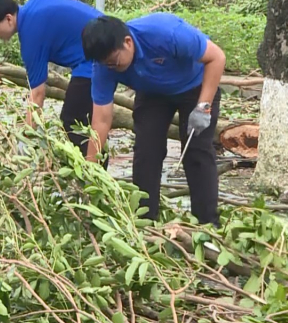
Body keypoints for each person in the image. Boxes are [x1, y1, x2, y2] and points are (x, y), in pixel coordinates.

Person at [81, 14, 225, 226]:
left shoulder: (167, 34)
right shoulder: (103, 67)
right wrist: (89, 166)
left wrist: (203, 106)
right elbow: (101, 119)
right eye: (106, 65)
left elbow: (217, 57)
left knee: (197, 151)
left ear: (127, 43)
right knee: (146, 151)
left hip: (195, 86)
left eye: (114, 62)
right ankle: (145, 221)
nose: (111, 67)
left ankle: (208, 223)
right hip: (151, 93)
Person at [0, 0, 104, 163]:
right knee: (84, 118)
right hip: (105, 40)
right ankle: (95, 167)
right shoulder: (34, 4)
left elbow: (37, 94)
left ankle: (92, 174)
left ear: (8, 19)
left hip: (95, 60)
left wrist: (26, 140)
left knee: (73, 119)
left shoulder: (30, 34)